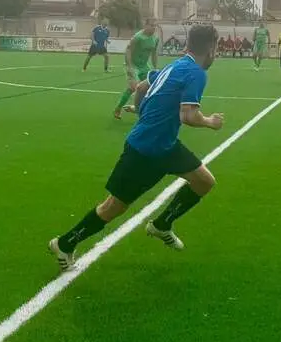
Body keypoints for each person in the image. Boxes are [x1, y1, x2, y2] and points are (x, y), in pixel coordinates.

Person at [48, 24, 225, 270]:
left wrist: (142, 111)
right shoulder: (195, 72)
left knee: (204, 181)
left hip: (166, 146)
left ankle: (161, 225)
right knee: (113, 207)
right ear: (211, 48)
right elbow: (188, 115)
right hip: (145, 151)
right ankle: (65, 244)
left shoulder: (176, 65)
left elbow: (142, 86)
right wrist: (210, 122)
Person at [115, 19, 161, 118]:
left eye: (155, 26)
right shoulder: (137, 37)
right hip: (133, 65)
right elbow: (128, 51)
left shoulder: (155, 38)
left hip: (144, 66)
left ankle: (139, 108)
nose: (154, 28)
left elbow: (154, 54)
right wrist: (130, 67)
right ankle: (118, 108)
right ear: (146, 25)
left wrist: (155, 68)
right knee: (132, 87)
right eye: (152, 25)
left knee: (150, 86)